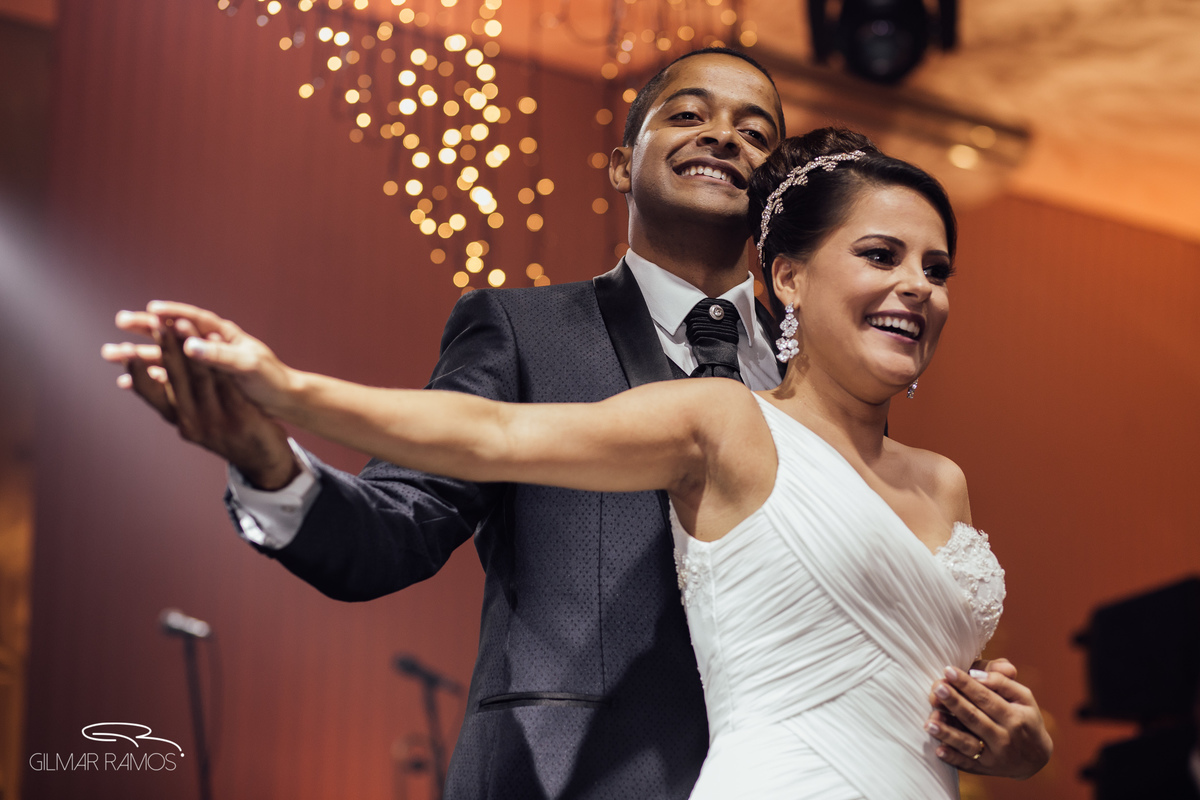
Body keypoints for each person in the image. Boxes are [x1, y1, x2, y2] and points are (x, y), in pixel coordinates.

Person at [104, 50, 1051, 797]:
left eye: (756, 129)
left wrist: (1008, 734)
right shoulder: (520, 331)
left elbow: (894, 623)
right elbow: (399, 526)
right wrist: (269, 458)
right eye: (687, 114)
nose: (722, 135)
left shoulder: (847, 362)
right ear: (620, 162)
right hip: (564, 784)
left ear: (778, 203)